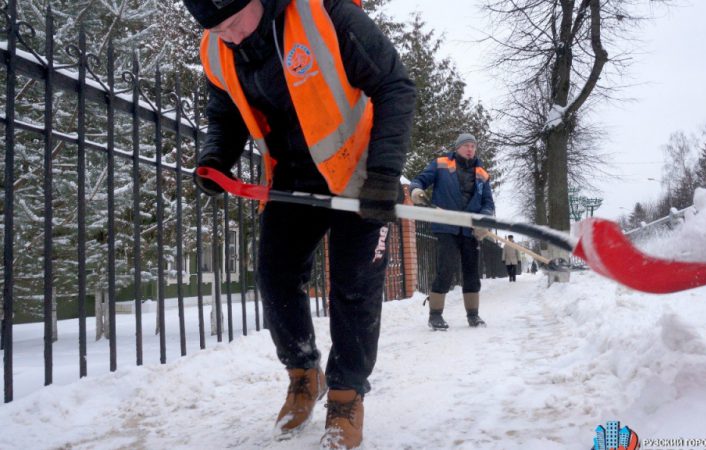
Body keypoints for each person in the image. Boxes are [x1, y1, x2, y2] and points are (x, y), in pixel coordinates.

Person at [182, 0, 415, 448]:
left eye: (233, 23)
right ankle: (305, 373)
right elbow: (225, 111)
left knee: (354, 287)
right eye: (218, 30)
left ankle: (346, 397)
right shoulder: (217, 47)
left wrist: (385, 173)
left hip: (360, 174)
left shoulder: (326, 14)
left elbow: (396, 86)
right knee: (275, 274)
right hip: (294, 176)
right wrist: (216, 156)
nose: (229, 36)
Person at [409, 133, 495, 330]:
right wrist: (416, 190)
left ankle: (473, 315)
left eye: (473, 146)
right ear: (457, 148)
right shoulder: (440, 164)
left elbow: (488, 203)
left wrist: (483, 220)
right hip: (446, 226)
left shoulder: (482, 174)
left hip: (470, 229)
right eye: (466, 145)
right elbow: (420, 180)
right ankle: (435, 315)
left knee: (472, 271)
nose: (470, 149)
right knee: (446, 268)